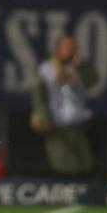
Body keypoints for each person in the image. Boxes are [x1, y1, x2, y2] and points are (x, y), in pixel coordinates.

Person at [30, 35, 97, 176]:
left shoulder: (78, 68)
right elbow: (38, 95)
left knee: (83, 164)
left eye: (72, 48)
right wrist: (42, 116)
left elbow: (92, 81)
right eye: (66, 47)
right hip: (57, 124)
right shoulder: (47, 69)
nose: (69, 50)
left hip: (77, 123)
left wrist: (81, 65)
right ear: (58, 49)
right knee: (63, 164)